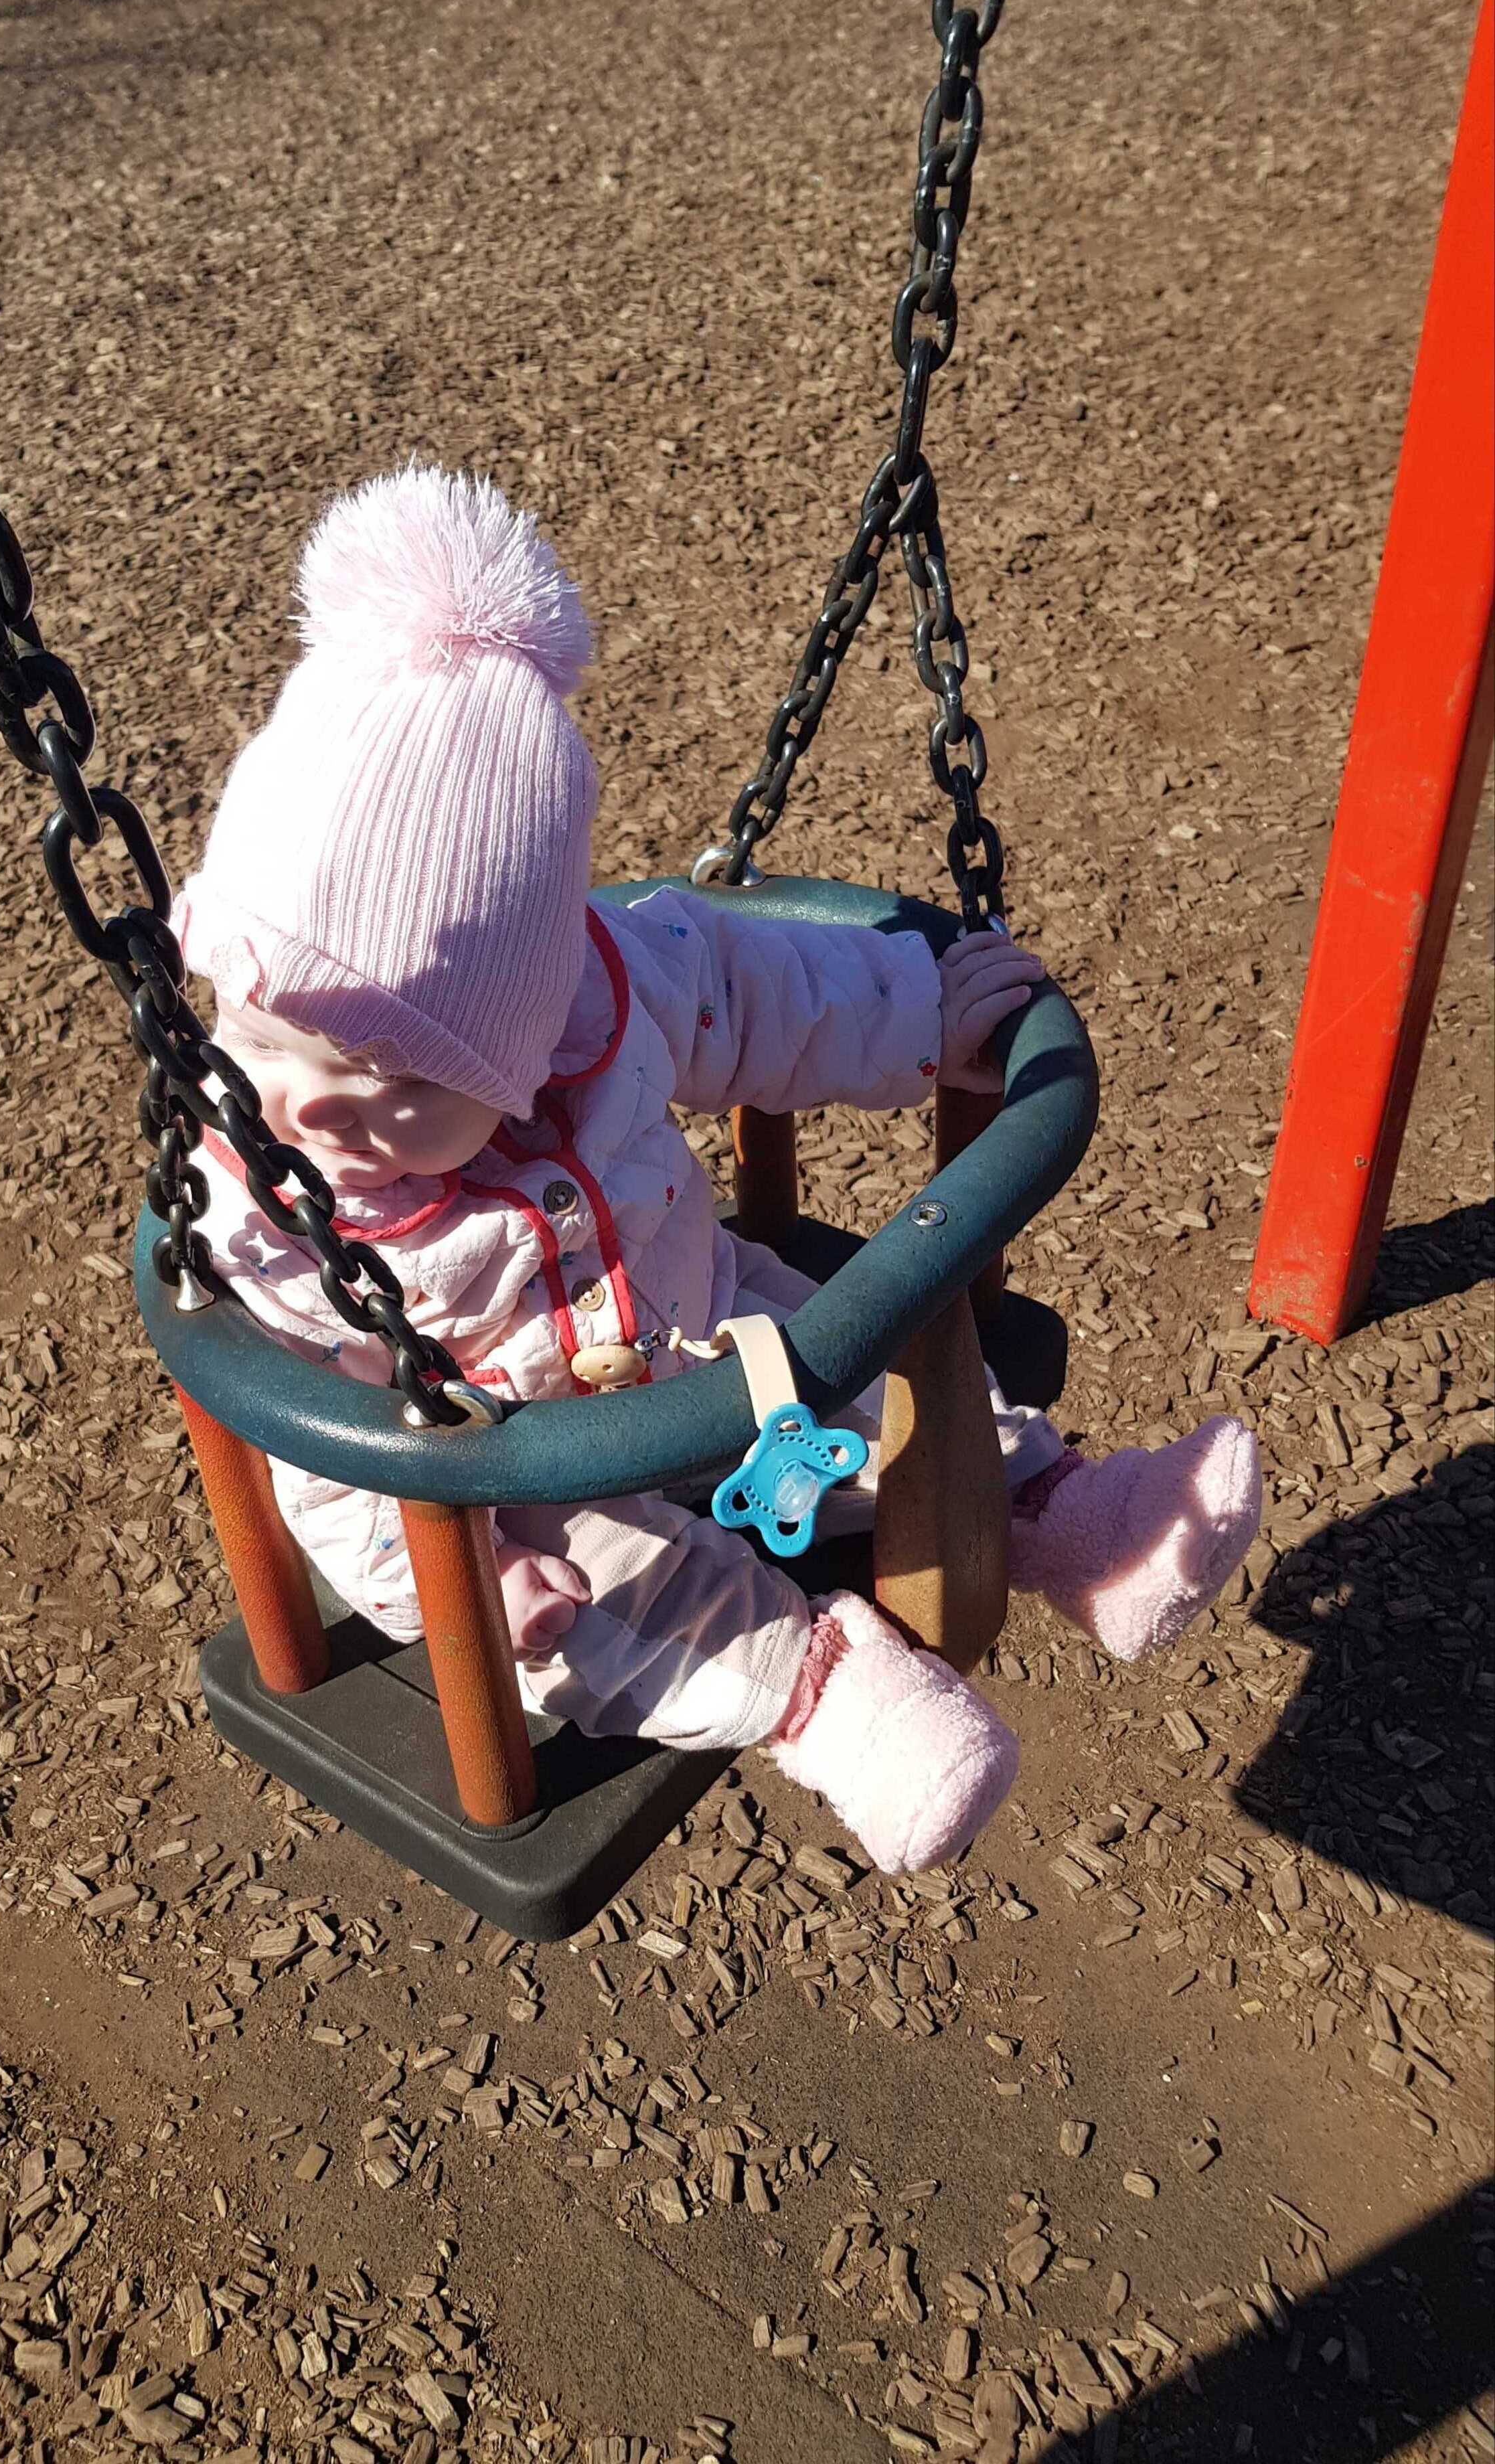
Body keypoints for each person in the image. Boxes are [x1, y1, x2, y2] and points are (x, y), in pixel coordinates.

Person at [171, 466, 1261, 1873]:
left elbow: (759, 986)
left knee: (886, 1381)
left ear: (528, 1025)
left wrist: (924, 1015)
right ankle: (832, 1702)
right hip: (509, 1477)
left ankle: (1070, 1523)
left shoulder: (605, 991)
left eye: (398, 1082)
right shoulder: (259, 1205)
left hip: (707, 1326)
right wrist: (463, 1580)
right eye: (261, 1034)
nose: (310, 1105)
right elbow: (322, 1459)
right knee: (617, 1615)